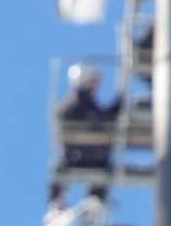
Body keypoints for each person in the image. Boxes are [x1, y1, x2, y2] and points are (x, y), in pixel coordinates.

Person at [47, 63, 122, 218]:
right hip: (84, 154)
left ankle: (63, 200)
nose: (98, 86)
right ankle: (91, 199)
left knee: (62, 168)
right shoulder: (79, 102)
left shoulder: (81, 102)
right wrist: (116, 108)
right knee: (99, 167)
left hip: (80, 156)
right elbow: (100, 119)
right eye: (95, 81)